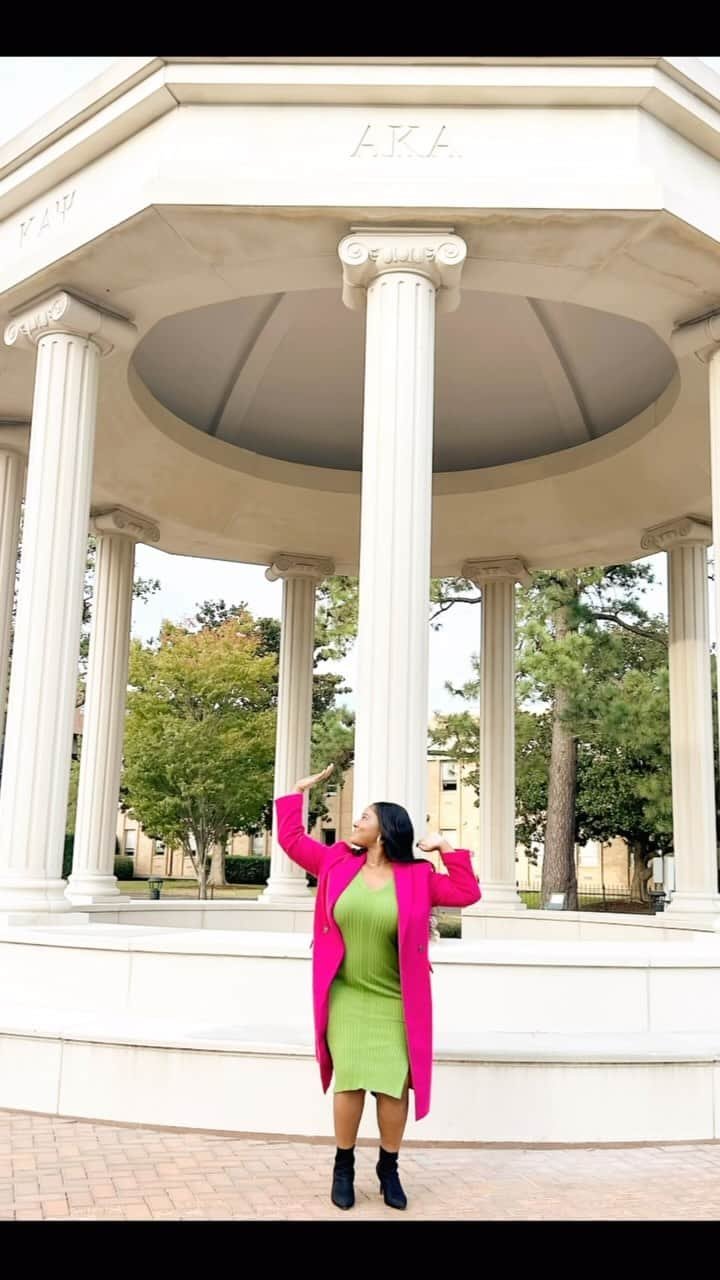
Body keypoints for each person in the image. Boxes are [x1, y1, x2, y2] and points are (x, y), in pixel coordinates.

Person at [275, 764, 482, 1212]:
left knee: (392, 1087)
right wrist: (296, 794)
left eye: (365, 817)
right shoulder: (335, 861)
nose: (356, 822)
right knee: (349, 1081)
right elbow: (292, 841)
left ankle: (389, 1168)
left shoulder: (418, 877)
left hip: (394, 998)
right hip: (346, 993)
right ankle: (343, 1167)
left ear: (385, 830)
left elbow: (467, 892)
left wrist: (445, 846)